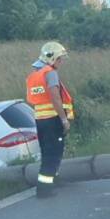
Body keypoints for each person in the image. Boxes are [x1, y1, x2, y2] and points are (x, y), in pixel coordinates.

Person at [25, 41, 75, 198]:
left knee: (48, 152)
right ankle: (44, 189)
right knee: (53, 153)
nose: (61, 62)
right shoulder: (50, 73)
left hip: (41, 121)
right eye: (60, 59)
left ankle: (52, 180)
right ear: (52, 58)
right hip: (53, 120)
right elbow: (55, 97)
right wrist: (64, 119)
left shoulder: (34, 75)